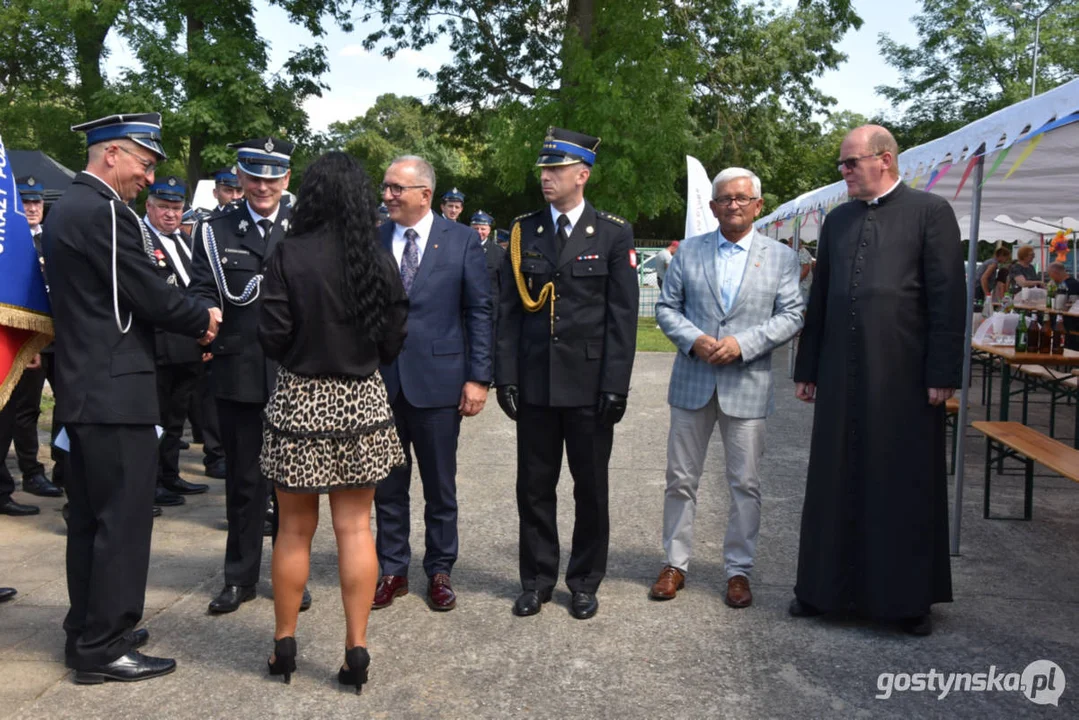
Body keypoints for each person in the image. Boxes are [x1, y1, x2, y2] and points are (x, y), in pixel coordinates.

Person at [42, 112, 220, 682]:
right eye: (144, 163)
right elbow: (149, 292)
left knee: (93, 520)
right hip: (116, 392)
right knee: (122, 522)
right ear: (112, 153)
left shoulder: (71, 206)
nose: (148, 177)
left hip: (88, 388)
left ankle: (88, 631)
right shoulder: (102, 211)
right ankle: (106, 644)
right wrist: (203, 318)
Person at [791, 124, 965, 637]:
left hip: (903, 376)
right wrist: (806, 367)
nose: (843, 172)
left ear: (884, 160)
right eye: (842, 165)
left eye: (850, 163)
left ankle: (907, 601)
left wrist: (942, 371)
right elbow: (820, 298)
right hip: (841, 375)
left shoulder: (931, 212)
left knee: (901, 482)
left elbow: (947, 297)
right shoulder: (838, 220)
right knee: (834, 478)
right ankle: (822, 590)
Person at [258, 151, 408, 691]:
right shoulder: (377, 256)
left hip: (300, 398)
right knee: (355, 528)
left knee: (293, 529)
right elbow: (394, 336)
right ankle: (356, 649)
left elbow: (271, 336)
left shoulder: (288, 253)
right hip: (361, 401)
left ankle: (284, 644)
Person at [495, 127, 639, 620]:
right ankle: (536, 579)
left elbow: (623, 317)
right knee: (533, 486)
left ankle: (583, 581)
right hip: (535, 384)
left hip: (588, 385)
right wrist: (506, 376)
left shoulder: (614, 233)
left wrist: (615, 385)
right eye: (543, 169)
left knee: (590, 487)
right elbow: (509, 312)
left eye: (555, 169)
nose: (545, 177)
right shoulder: (523, 231)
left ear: (583, 174)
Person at [651, 168, 803, 607]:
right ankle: (675, 563)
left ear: (758, 205)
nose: (732, 204)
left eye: (742, 197)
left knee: (745, 484)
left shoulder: (781, 258)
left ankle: (739, 571)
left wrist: (744, 343)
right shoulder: (688, 252)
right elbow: (666, 307)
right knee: (680, 479)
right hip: (693, 380)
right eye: (724, 198)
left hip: (748, 383)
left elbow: (793, 315)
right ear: (713, 206)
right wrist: (693, 339)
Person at [190, 137, 309, 614]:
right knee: (243, 481)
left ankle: (291, 575)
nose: (263, 186)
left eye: (273, 177)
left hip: (295, 374)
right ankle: (239, 577)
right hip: (238, 370)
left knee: (293, 485)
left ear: (286, 180)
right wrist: (205, 309)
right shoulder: (214, 231)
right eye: (254, 176)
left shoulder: (303, 229)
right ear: (239, 177)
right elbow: (201, 285)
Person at [373, 155, 492, 613]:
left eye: (396, 188)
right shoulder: (375, 237)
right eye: (386, 187)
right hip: (382, 383)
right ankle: (392, 570)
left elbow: (480, 311)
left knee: (440, 485)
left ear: (425, 193)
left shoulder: (462, 240)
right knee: (388, 485)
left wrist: (478, 378)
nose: (387, 195)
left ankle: (440, 570)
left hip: (440, 384)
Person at [143, 176, 210, 506]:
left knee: (175, 418)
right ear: (149, 207)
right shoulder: (140, 240)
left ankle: (169, 475)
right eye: (164, 208)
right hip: (157, 344)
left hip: (187, 344)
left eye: (176, 208)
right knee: (154, 419)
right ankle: (151, 480)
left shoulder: (184, 240)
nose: (171, 215)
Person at [0, 177, 63, 511]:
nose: (32, 208)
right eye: (26, 203)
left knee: (68, 407)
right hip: (30, 342)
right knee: (24, 410)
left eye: (37, 203)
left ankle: (64, 467)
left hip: (62, 337)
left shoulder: (52, 239)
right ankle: (31, 472)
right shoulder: (10, 245)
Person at [471, 210, 505, 331]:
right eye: (475, 228)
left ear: (489, 230)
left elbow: (503, 285)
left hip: (490, 311)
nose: (479, 232)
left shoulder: (499, 253)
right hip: (466, 311)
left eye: (483, 228)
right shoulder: (462, 250)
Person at [1047, 262, 1079, 349]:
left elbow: (1071, 305)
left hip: (1071, 321)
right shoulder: (1065, 284)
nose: (1051, 277)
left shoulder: (1071, 285)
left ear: (1055, 273)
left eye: (1050, 275)